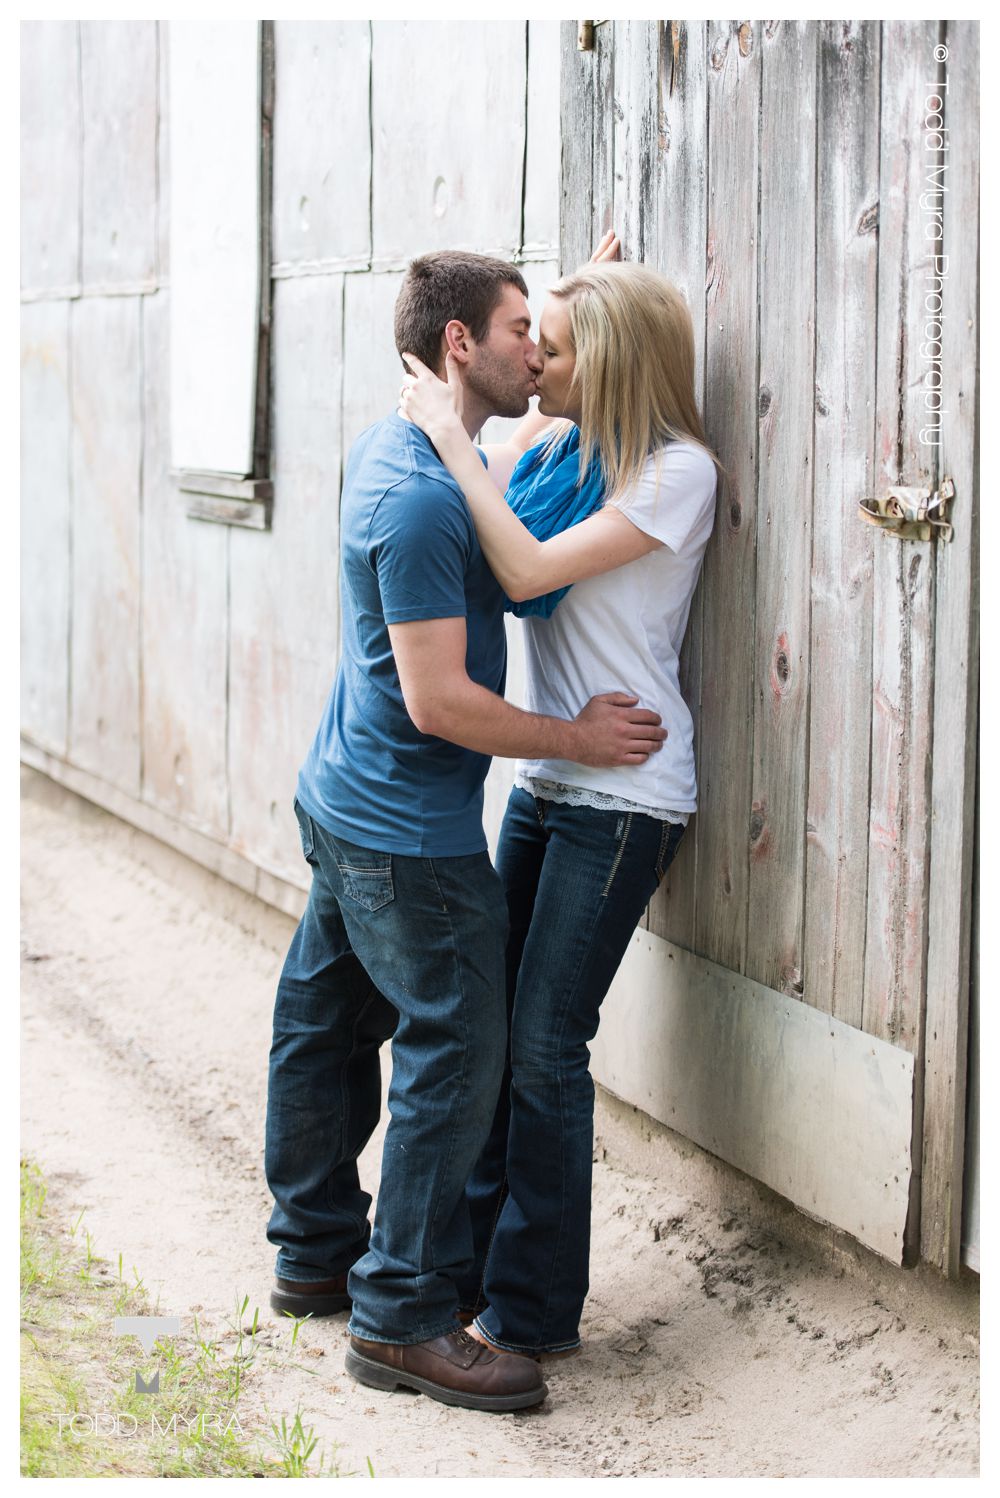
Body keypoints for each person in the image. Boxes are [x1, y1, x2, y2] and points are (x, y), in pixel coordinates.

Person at [263, 248, 668, 1414]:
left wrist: (573, 283)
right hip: (408, 831)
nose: (536, 350)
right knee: (457, 1050)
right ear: (458, 349)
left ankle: (315, 1251)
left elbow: (495, 418)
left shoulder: (406, 448)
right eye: (518, 330)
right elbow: (440, 701)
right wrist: (575, 737)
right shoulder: (431, 496)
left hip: (342, 792)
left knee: (325, 1015)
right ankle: (403, 1316)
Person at [397, 244, 722, 1359]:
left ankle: (531, 1314)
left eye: (557, 347)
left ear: (614, 364)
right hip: (547, 780)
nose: (533, 359)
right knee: (496, 1034)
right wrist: (573, 283)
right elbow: (516, 482)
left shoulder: (674, 474)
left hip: (626, 793)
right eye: (532, 336)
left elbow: (527, 571)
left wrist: (451, 438)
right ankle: (469, 1273)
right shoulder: (574, 450)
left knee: (544, 1045)